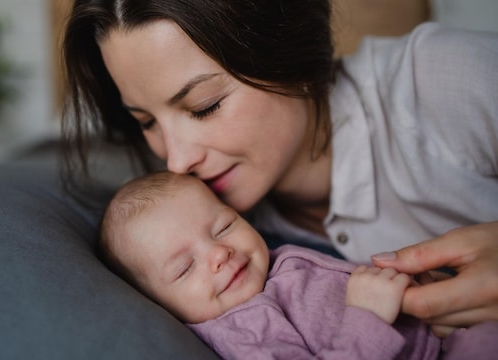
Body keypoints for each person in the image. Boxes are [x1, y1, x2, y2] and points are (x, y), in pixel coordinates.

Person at [61, 0, 498, 334]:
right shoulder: (210, 243)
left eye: (204, 106)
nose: (176, 159)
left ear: (287, 52)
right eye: (146, 122)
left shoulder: (440, 79)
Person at [98, 171, 498, 359]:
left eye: (224, 227)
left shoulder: (272, 263)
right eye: (185, 268)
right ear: (156, 304)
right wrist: (367, 317)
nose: (219, 253)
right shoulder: (243, 331)